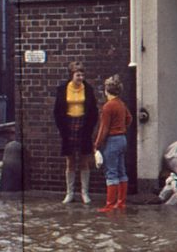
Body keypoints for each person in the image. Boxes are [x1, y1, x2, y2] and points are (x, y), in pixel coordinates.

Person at [53, 61, 99, 204]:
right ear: (71, 75)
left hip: (84, 127)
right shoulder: (62, 89)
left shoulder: (88, 89)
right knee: (70, 160)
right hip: (68, 127)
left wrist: (90, 128)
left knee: (84, 160)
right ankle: (70, 193)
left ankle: (84, 193)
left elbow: (94, 111)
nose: (81, 78)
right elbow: (57, 111)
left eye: (82, 75)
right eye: (78, 75)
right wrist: (62, 129)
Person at [94, 74, 133, 212]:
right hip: (122, 139)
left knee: (111, 172)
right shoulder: (121, 104)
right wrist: (122, 128)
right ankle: (121, 203)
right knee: (122, 171)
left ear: (106, 90)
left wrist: (97, 144)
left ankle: (110, 205)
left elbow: (103, 128)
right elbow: (129, 118)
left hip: (112, 140)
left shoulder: (108, 107)